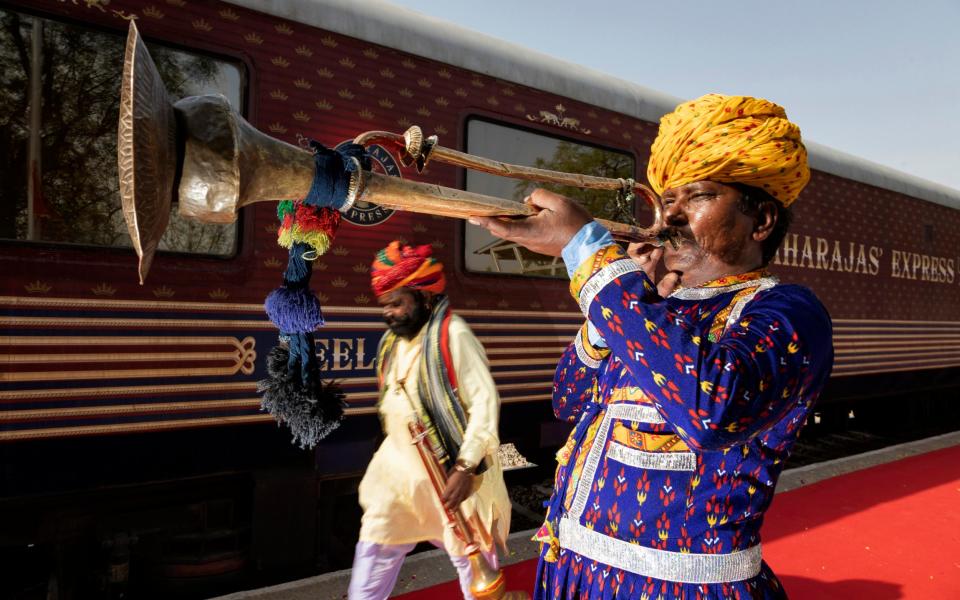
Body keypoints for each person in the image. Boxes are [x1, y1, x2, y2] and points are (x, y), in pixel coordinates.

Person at [470, 94, 834, 599]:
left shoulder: (789, 312)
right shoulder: (650, 310)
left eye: (698, 196)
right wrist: (612, 317)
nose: (669, 217)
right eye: (668, 200)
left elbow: (714, 410)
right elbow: (568, 401)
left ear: (762, 220)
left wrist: (591, 257)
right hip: (571, 576)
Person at [348, 241, 512, 600]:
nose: (389, 313)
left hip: (451, 473)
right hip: (399, 474)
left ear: (423, 298)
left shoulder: (454, 335)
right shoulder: (392, 342)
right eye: (386, 305)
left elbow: (484, 404)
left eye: (397, 303)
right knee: (375, 545)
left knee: (475, 571)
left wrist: (466, 467)